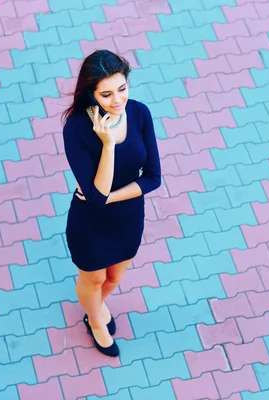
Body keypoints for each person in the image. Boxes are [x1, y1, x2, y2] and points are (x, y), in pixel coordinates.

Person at [61, 50, 161, 357]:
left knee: (115, 276)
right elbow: (97, 192)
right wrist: (107, 144)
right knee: (94, 278)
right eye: (106, 94)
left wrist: (108, 198)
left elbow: (153, 178)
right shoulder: (77, 129)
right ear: (90, 93)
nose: (117, 100)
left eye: (122, 89)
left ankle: (98, 306)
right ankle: (94, 319)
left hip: (128, 215)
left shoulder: (140, 113)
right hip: (90, 224)